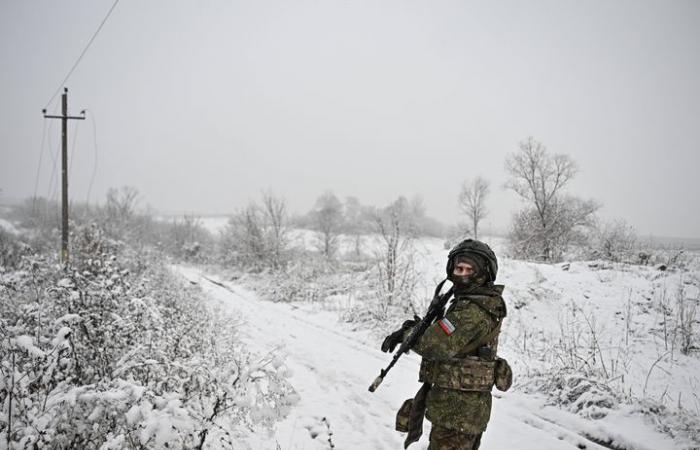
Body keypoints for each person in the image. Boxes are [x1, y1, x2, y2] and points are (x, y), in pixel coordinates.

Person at [381, 239, 511, 450]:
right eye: (459, 268)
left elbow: (432, 345)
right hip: (457, 409)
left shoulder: (472, 311)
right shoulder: (472, 301)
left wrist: (406, 333)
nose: (463, 274)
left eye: (470, 269)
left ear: (485, 273)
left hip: (459, 414)